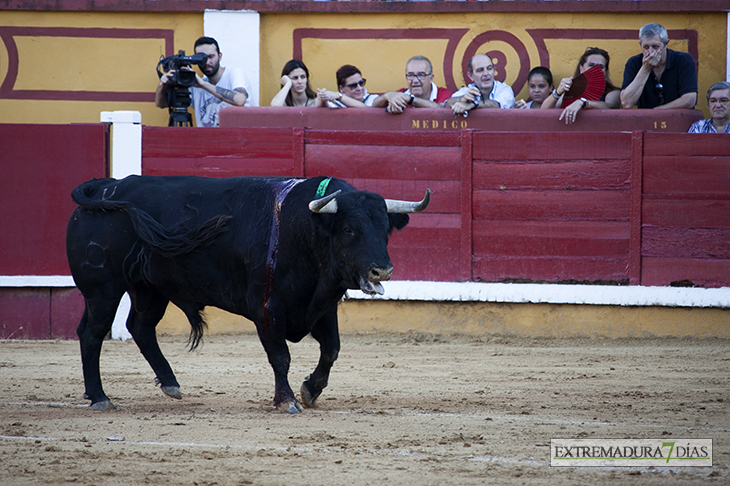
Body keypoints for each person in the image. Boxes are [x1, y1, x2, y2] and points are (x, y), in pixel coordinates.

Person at [155, 36, 250, 128]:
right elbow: (161, 104)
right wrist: (162, 86)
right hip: (207, 142)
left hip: (235, 140)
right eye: (202, 59)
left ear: (219, 56)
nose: (207, 62)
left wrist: (202, 84)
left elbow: (240, 99)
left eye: (211, 57)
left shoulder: (233, 74)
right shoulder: (196, 84)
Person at [620, 23, 698, 109]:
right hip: (646, 120)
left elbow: (689, 100)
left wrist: (656, 112)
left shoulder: (684, 60)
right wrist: (645, 69)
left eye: (655, 47)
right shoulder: (633, 63)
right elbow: (626, 103)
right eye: (646, 47)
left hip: (678, 119)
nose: (651, 52)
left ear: (666, 44)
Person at [541, 47, 620, 124]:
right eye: (591, 65)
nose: (596, 69)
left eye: (601, 67)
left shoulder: (613, 92)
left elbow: (609, 107)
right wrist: (558, 92)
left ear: (605, 72)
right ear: (581, 69)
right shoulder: (570, 90)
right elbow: (543, 112)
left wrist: (582, 102)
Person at [372, 56, 452, 114]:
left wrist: (410, 100)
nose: (415, 80)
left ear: (431, 78)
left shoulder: (443, 93)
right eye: (411, 75)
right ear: (406, 78)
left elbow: (441, 109)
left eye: (421, 75)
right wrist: (387, 96)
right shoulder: (402, 93)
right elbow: (373, 108)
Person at [444, 53, 515, 115]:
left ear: (494, 71)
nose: (486, 74)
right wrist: (462, 99)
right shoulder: (467, 90)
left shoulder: (504, 89)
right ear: (471, 76)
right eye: (480, 70)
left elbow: (498, 105)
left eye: (489, 68)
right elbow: (447, 104)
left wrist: (473, 105)